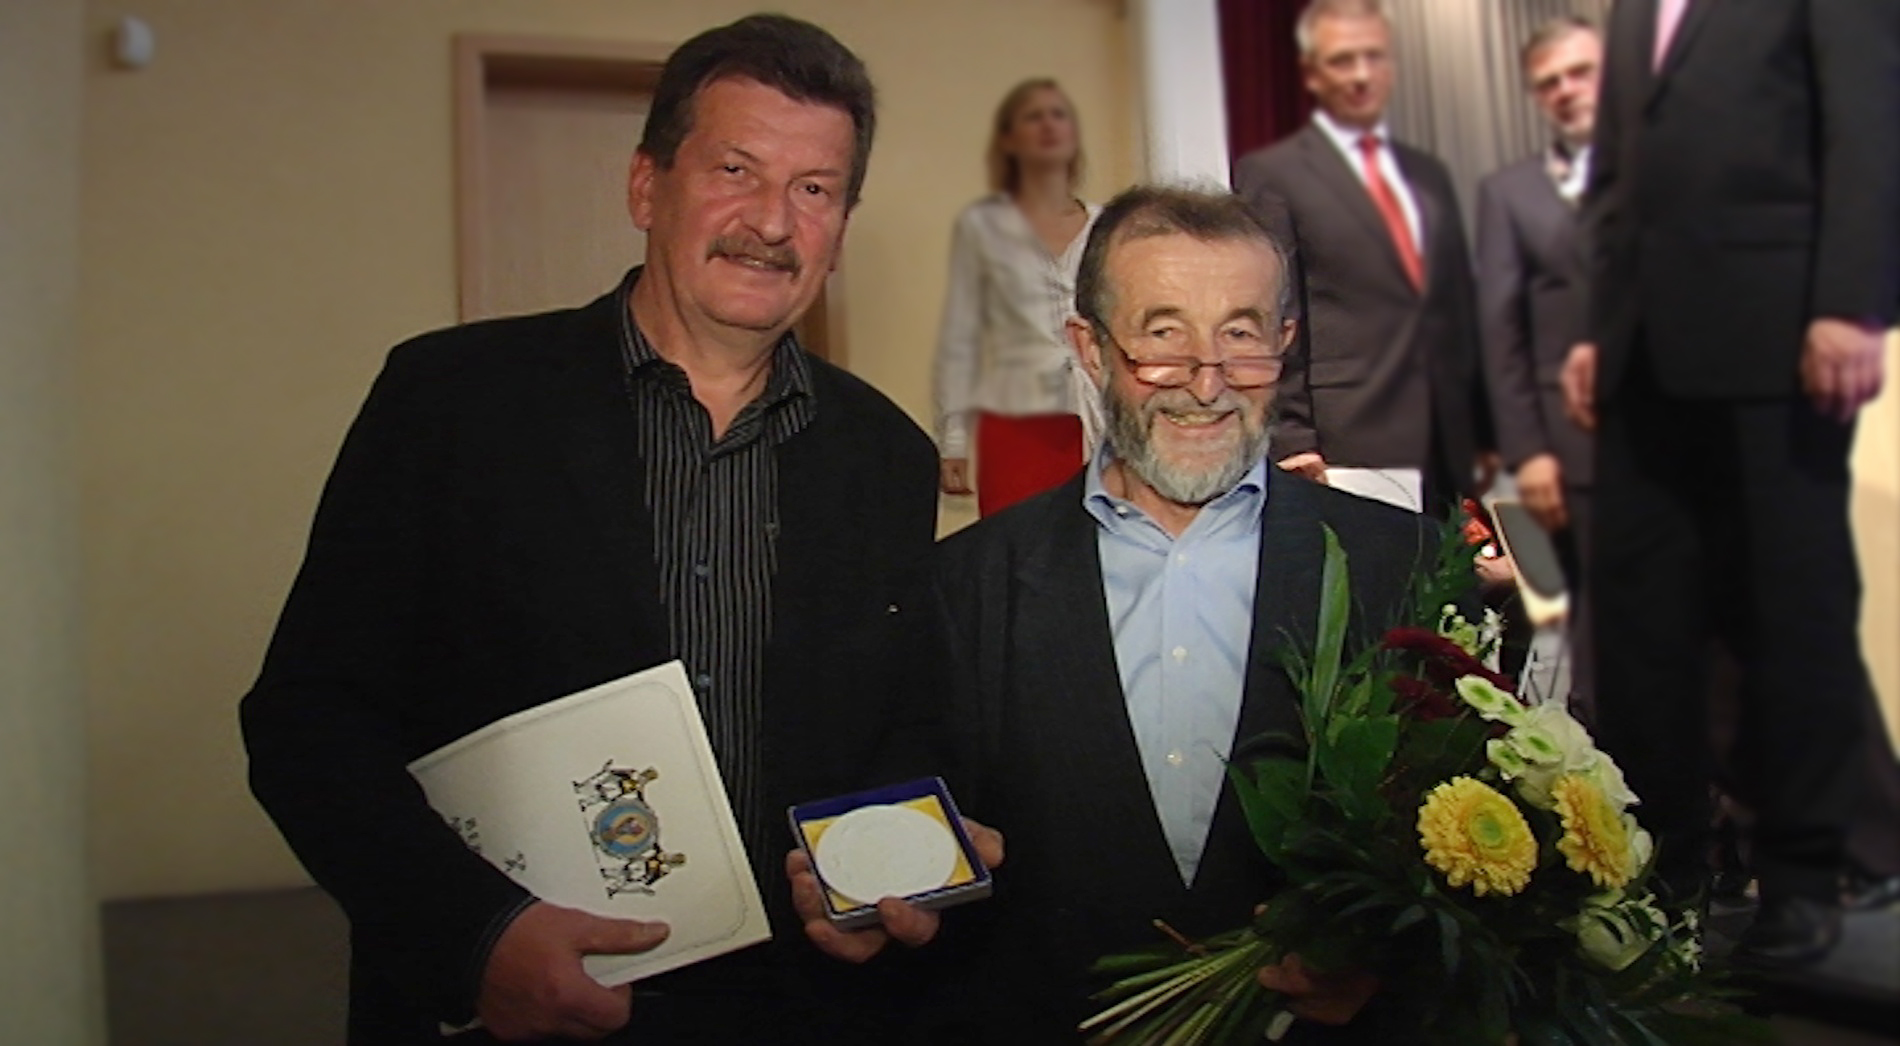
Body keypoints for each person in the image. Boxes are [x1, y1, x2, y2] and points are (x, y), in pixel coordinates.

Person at [240, 15, 960, 1043]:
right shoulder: (448, 400)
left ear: (841, 225)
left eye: (814, 189)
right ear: (645, 186)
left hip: (788, 1009)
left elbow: (898, 728)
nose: (770, 220)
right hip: (507, 1010)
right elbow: (306, 724)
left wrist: (886, 876)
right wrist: (476, 936)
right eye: (735, 169)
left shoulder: (886, 454)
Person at [904, 184, 1435, 1042]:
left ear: (1284, 345)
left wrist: (1385, 965)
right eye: (1161, 336)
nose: (1205, 382)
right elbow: (943, 890)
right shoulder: (967, 584)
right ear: (1088, 346)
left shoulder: (1402, 565)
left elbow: (1461, 861)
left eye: (1240, 334)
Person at [1564, 0, 1900, 967]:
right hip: (1640, 355)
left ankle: (1802, 878)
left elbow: (1870, 125)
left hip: (1777, 338)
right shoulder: (1629, 12)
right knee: (1639, 628)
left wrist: (1849, 304)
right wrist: (1596, 325)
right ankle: (1666, 874)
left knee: (1788, 616)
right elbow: (1618, 177)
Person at [1232, 0, 1490, 511]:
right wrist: (1292, 438)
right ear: (1311, 73)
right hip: (1349, 440)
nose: (1360, 75)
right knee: (1376, 588)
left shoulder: (1426, 173)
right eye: (1342, 60)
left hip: (1448, 441)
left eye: (1373, 57)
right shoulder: (1273, 173)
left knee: (1454, 585)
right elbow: (1269, 312)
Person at [1474, 16, 1602, 712]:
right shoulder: (1510, 195)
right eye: (1549, 81)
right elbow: (1500, 333)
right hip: (1565, 455)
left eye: (1580, 72)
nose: (1566, 90)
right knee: (1582, 639)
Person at [932, 78, 1102, 516]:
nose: (1048, 125)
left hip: (1103, 422)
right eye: (1033, 116)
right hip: (1018, 424)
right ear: (1010, 139)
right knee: (1019, 560)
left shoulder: (1110, 226)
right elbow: (961, 338)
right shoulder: (985, 228)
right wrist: (954, 440)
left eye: (1058, 114)